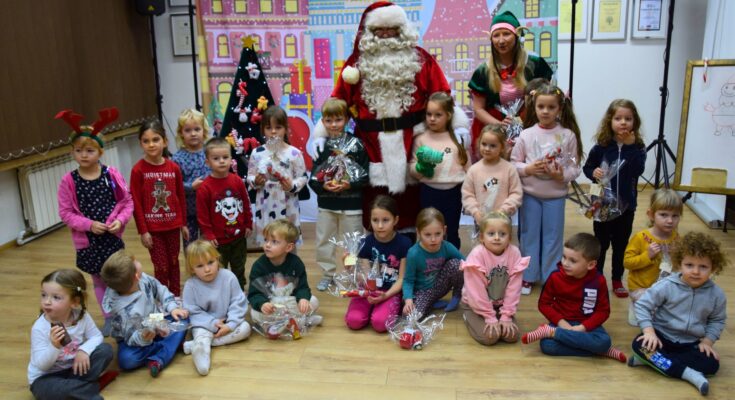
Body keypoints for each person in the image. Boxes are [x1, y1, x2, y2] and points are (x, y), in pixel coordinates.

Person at [313, 1, 469, 233]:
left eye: (392, 29)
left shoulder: (421, 60)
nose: (386, 34)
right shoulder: (355, 65)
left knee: (413, 203)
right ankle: (378, 245)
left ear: (402, 30)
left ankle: (413, 245)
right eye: (379, 30)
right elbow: (338, 101)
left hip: (412, 141)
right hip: (370, 145)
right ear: (370, 33)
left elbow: (441, 94)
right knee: (375, 202)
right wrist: (322, 133)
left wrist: (457, 125)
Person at [56, 109, 133, 334]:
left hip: (112, 238)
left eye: (89, 150)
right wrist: (89, 225)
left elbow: (127, 201)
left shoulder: (111, 175)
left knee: (118, 277)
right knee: (99, 280)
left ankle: (125, 311)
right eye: (78, 150)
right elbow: (66, 213)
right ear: (72, 152)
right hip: (89, 242)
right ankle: (109, 317)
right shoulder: (69, 181)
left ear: (100, 151)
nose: (84, 155)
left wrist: (120, 221)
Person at [629, 232, 728, 396]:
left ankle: (654, 362)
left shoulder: (717, 295)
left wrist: (707, 342)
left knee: (712, 364)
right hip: (660, 338)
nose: (695, 271)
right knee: (639, 345)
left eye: (703, 267)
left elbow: (717, 320)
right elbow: (642, 305)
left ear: (714, 268)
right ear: (679, 264)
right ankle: (690, 374)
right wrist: (649, 332)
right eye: (689, 265)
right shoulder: (666, 285)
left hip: (690, 344)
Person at [511, 83, 583, 294]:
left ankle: (550, 275)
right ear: (534, 107)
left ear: (559, 109)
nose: (545, 111)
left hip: (555, 196)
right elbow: (514, 163)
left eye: (551, 107)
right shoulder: (526, 135)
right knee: (529, 235)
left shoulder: (567, 136)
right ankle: (528, 275)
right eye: (541, 106)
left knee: (553, 237)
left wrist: (561, 175)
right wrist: (528, 169)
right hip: (530, 195)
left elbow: (574, 167)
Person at [521, 233, 627, 363]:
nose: (565, 263)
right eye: (564, 257)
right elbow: (544, 304)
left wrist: (583, 327)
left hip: (586, 324)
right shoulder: (555, 277)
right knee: (547, 346)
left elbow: (603, 311)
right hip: (561, 322)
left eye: (573, 261)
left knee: (604, 341)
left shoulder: (599, 281)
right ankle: (602, 351)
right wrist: (561, 322)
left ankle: (552, 332)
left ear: (591, 265)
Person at [583, 99, 647, 298]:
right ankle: (597, 277)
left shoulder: (638, 147)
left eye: (628, 118)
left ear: (635, 122)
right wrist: (593, 172)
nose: (623, 122)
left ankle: (617, 279)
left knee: (621, 245)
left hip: (626, 207)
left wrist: (630, 147)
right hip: (602, 204)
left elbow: (638, 170)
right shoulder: (601, 146)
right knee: (600, 244)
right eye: (618, 118)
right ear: (610, 121)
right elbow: (587, 167)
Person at [469, 11, 553, 161]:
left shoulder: (534, 64)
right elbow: (478, 109)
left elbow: (547, 97)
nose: (501, 40)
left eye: (506, 34)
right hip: (495, 129)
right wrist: (500, 125)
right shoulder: (483, 71)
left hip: (530, 124)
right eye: (496, 35)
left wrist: (525, 120)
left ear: (517, 35)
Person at [28, 269, 117, 400]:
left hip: (75, 369)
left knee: (105, 350)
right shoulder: (39, 328)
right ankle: (88, 389)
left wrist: (83, 350)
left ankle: (78, 390)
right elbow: (41, 365)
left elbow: (96, 336)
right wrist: (54, 346)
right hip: (46, 378)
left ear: (75, 301)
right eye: (44, 295)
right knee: (56, 390)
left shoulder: (82, 316)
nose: (47, 301)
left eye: (56, 297)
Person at [309, 98, 368, 291]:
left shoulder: (357, 144)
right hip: (327, 205)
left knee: (353, 242)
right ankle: (328, 274)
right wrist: (323, 186)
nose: (333, 124)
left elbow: (366, 176)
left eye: (338, 119)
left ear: (347, 119)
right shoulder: (321, 146)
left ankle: (352, 274)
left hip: (352, 205)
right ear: (322, 121)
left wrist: (350, 184)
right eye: (328, 120)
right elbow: (313, 178)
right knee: (324, 241)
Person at [101, 250, 189, 377]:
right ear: (136, 276)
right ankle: (164, 352)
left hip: (154, 320)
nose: (138, 261)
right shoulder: (123, 312)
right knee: (126, 360)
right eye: (135, 261)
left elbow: (160, 289)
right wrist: (144, 337)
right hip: (134, 337)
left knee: (183, 317)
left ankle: (164, 348)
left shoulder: (142, 279)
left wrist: (172, 308)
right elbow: (131, 337)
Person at [130, 120, 188, 296]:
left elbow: (180, 197)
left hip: (173, 226)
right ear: (141, 143)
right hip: (153, 230)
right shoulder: (138, 170)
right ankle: (163, 298)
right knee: (161, 266)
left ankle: (175, 297)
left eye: (155, 139)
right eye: (146, 141)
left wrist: (183, 224)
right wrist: (143, 231)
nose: (151, 144)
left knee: (174, 263)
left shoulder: (173, 168)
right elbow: (136, 203)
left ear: (165, 141)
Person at [409, 92, 470, 249]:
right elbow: (413, 168)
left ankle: (452, 262)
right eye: (429, 114)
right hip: (429, 192)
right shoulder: (421, 139)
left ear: (448, 115)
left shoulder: (458, 138)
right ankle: (429, 261)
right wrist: (420, 167)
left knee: (451, 231)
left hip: (454, 194)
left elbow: (468, 168)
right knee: (428, 230)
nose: (432, 118)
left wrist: (470, 194)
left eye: (438, 115)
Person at [182, 240, 251, 375]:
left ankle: (202, 344)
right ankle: (202, 356)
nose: (207, 269)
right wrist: (212, 323)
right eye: (200, 266)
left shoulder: (229, 277)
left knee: (245, 328)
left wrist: (230, 325)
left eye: (210, 262)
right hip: (204, 325)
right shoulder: (190, 285)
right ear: (192, 269)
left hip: (227, 322)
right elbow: (193, 312)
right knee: (201, 334)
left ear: (217, 259)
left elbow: (238, 302)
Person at [460, 212, 529, 345]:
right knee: (490, 337)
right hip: (475, 305)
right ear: (482, 237)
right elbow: (477, 293)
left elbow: (514, 289)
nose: (497, 238)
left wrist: (506, 316)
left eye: (502, 234)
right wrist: (489, 317)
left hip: (499, 305)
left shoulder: (514, 253)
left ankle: (498, 317)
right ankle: (468, 316)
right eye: (491, 234)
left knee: (511, 336)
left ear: (509, 238)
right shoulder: (477, 255)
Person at [345, 195, 411, 332]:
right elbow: (365, 277)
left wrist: (385, 296)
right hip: (368, 291)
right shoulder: (365, 243)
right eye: (375, 220)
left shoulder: (404, 243)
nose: (380, 226)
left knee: (380, 324)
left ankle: (385, 307)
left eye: (385, 220)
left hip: (390, 292)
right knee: (354, 321)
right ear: (370, 220)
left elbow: (401, 279)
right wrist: (348, 266)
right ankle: (373, 308)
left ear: (395, 220)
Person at [247, 106, 307, 246]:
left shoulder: (294, 153)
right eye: (269, 128)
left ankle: (290, 260)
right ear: (263, 130)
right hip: (265, 203)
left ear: (285, 128)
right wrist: (255, 181)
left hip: (288, 202)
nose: (273, 131)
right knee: (269, 241)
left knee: (288, 240)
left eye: (278, 127)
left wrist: (292, 186)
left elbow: (303, 177)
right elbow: (250, 175)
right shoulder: (257, 153)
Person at [197, 137, 252, 289]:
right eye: (216, 158)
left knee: (239, 267)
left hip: (238, 237)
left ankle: (239, 292)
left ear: (231, 159)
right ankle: (220, 293)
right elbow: (202, 215)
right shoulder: (205, 187)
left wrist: (248, 223)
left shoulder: (237, 181)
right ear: (208, 162)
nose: (221, 161)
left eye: (225, 157)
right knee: (219, 269)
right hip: (218, 241)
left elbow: (245, 203)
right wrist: (209, 234)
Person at [248, 219, 322, 327]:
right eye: (266, 240)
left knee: (313, 301)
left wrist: (303, 299)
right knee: (254, 313)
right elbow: (254, 294)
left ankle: (286, 322)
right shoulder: (258, 266)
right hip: (272, 305)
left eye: (274, 242)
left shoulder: (296, 263)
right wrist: (262, 304)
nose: (267, 245)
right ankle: (301, 321)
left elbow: (303, 287)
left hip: (291, 302)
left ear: (288, 247)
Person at [624, 189, 682, 326]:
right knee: (639, 321)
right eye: (663, 215)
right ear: (651, 214)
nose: (670, 220)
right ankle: (637, 307)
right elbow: (627, 263)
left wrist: (677, 256)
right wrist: (647, 256)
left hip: (665, 287)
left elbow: (681, 266)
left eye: (675, 216)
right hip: (641, 287)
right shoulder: (640, 237)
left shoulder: (677, 238)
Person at [461, 124, 523, 240]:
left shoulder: (509, 169)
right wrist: (475, 212)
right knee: (482, 247)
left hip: (503, 219)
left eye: (493, 145)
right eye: (484, 144)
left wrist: (504, 210)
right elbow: (467, 194)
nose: (487, 149)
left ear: (502, 147)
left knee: (501, 245)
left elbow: (516, 193)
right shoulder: (474, 170)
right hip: (480, 220)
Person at [402, 208, 465, 317]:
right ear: (418, 232)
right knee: (412, 317)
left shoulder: (447, 246)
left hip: (439, 287)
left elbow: (466, 262)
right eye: (427, 235)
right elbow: (408, 280)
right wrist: (408, 300)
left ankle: (456, 296)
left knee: (458, 264)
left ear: (444, 230)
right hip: (421, 292)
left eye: (437, 234)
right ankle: (431, 303)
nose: (433, 239)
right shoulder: (413, 253)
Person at [172, 108, 211, 248]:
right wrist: (191, 186)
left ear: (203, 131)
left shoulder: (210, 153)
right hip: (189, 212)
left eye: (197, 129)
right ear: (181, 134)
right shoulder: (177, 158)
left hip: (209, 209)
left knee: (210, 245)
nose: (193, 133)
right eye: (188, 130)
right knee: (191, 246)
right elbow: (174, 186)